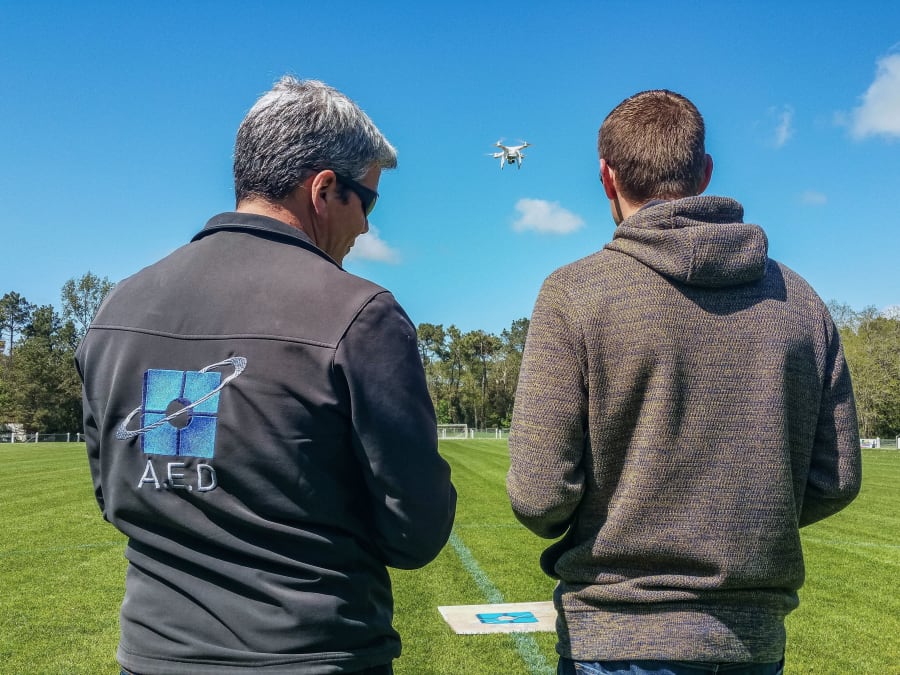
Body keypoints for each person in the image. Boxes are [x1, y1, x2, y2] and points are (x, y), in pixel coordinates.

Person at [76, 76, 457, 674]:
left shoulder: (116, 307)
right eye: (369, 202)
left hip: (153, 656)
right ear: (324, 189)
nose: (366, 229)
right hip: (313, 655)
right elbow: (416, 529)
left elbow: (115, 492)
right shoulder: (359, 313)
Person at [507, 90, 861, 675]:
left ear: (606, 176)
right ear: (706, 173)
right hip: (751, 644)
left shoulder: (576, 293)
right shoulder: (800, 302)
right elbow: (837, 478)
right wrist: (746, 517)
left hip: (616, 638)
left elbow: (540, 494)